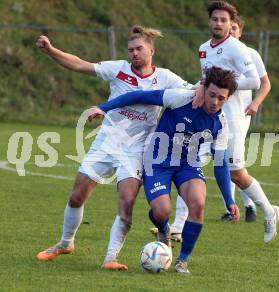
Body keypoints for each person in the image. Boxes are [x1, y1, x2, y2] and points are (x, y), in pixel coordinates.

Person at [35, 25, 194, 271]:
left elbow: (193, 91)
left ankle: (110, 258)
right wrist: (50, 51)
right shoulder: (117, 69)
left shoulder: (166, 77)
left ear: (151, 50)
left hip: (137, 151)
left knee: (127, 201)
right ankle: (66, 243)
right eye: (130, 49)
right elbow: (79, 64)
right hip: (107, 142)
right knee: (77, 196)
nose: (134, 53)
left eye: (139, 48)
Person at [89, 66, 241, 275]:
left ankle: (182, 261)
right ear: (204, 89)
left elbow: (220, 163)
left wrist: (229, 200)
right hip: (157, 161)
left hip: (187, 165)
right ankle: (164, 230)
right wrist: (103, 107)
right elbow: (140, 95)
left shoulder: (220, 123)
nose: (215, 102)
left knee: (198, 202)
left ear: (228, 98)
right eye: (212, 95)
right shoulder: (181, 98)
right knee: (162, 212)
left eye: (222, 98)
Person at [195, 0, 279, 243]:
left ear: (232, 24)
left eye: (223, 20)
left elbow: (255, 81)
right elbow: (205, 80)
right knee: (190, 164)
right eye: (215, 19)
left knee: (236, 173)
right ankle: (178, 226)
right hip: (209, 115)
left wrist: (223, 86)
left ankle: (268, 210)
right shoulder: (203, 49)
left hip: (233, 118)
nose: (218, 23)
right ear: (209, 21)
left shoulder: (239, 49)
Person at [216, 14, 272, 222]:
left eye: (234, 28)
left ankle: (249, 206)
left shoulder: (249, 53)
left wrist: (256, 103)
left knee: (234, 165)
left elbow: (264, 83)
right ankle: (232, 208)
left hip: (240, 114)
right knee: (225, 162)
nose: (230, 31)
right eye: (227, 28)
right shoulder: (216, 51)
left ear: (240, 31)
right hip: (219, 113)